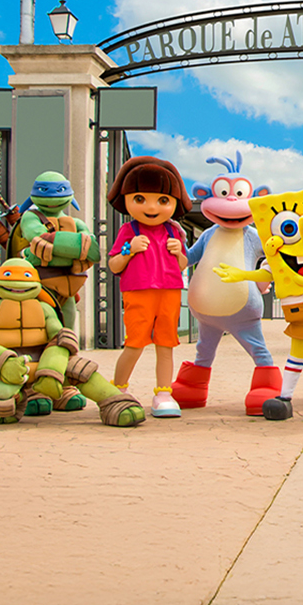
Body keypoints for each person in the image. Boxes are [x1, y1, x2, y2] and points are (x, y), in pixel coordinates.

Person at [107, 156, 191, 419]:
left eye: (163, 200)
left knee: (165, 344)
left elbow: (183, 266)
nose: (152, 206)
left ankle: (163, 393)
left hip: (169, 292)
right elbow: (113, 266)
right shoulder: (127, 230)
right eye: (141, 199)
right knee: (134, 343)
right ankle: (117, 390)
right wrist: (129, 251)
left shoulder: (174, 231)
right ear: (127, 199)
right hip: (138, 293)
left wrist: (179, 254)